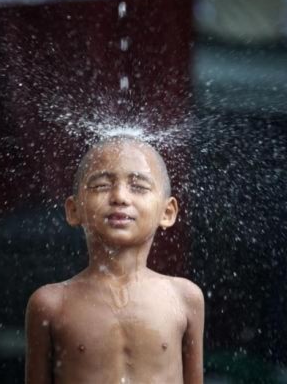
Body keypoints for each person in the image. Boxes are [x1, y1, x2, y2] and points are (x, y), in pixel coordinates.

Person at [25, 135, 205, 384]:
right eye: (101, 185)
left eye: (139, 187)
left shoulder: (184, 298)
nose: (120, 196)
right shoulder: (52, 304)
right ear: (74, 210)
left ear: (167, 212)